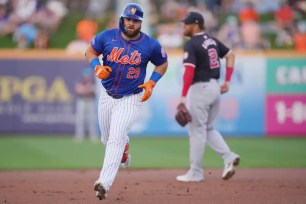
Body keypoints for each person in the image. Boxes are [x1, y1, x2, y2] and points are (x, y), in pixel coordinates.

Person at [84, 3, 168, 200]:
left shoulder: (150, 44)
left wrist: (152, 83)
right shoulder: (107, 36)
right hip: (107, 95)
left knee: (115, 139)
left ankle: (103, 183)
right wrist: (96, 66)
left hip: (131, 97)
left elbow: (163, 63)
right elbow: (90, 51)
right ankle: (125, 149)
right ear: (122, 19)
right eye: (128, 19)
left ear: (140, 23)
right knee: (107, 139)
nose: (131, 23)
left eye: (135, 20)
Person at [176, 11, 240, 183]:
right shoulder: (212, 41)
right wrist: (227, 81)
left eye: (186, 24)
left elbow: (189, 71)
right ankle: (228, 156)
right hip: (214, 88)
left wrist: (183, 97)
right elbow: (231, 56)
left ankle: (196, 172)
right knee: (208, 128)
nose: (184, 26)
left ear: (196, 25)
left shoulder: (192, 44)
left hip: (200, 89)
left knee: (196, 131)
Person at [74, 67, 98, 143]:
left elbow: (94, 91)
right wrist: (87, 90)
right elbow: (79, 91)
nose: (87, 77)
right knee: (80, 119)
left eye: (88, 76)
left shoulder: (93, 82)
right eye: (86, 76)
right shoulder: (80, 81)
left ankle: (92, 135)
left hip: (90, 101)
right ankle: (79, 135)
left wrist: (86, 90)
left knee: (91, 119)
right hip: (82, 101)